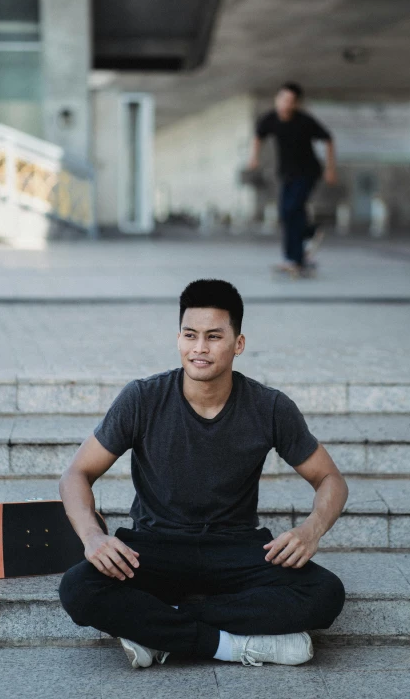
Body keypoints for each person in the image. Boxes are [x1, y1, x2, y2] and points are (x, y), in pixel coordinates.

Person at [59, 279, 347, 669]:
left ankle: (158, 629)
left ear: (238, 344)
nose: (199, 348)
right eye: (190, 335)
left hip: (235, 549)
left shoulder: (269, 407)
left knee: (325, 593)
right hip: (154, 546)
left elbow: (330, 479)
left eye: (214, 337)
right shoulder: (143, 398)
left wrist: (310, 531)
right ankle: (232, 646)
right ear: (178, 338)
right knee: (78, 589)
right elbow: (77, 472)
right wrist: (92, 536)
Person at [248, 82, 337, 274]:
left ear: (296, 104)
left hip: (308, 172)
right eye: (282, 99)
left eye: (290, 101)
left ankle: (307, 237)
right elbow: (258, 135)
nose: (285, 104)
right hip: (286, 173)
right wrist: (254, 157)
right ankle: (295, 257)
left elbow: (328, 139)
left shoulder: (304, 121)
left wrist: (331, 169)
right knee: (287, 214)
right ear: (277, 99)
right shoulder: (271, 118)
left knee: (292, 209)